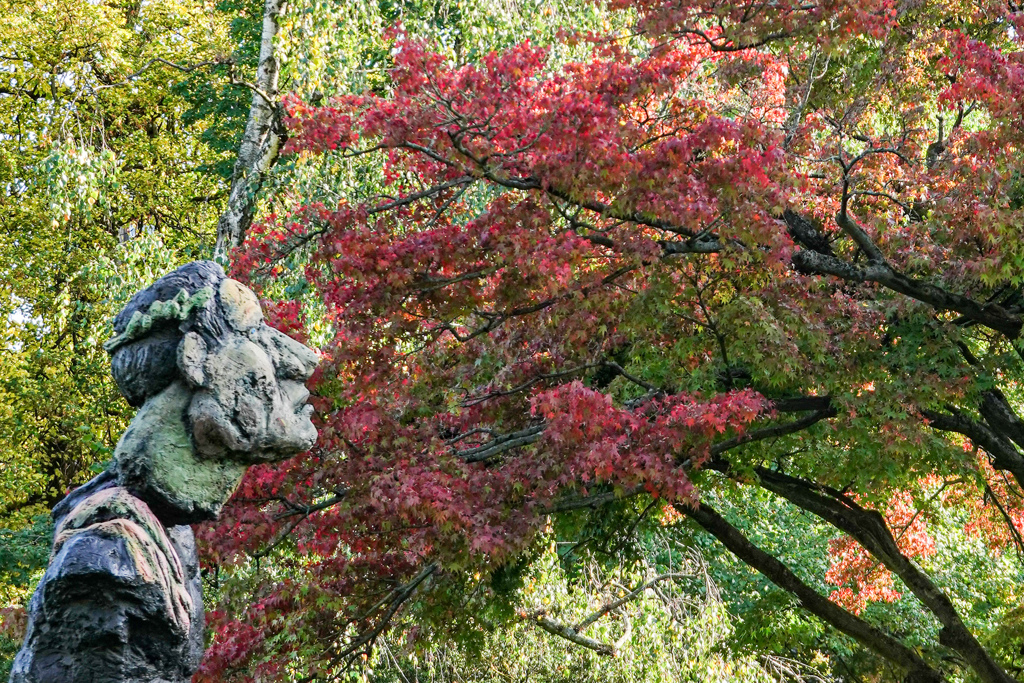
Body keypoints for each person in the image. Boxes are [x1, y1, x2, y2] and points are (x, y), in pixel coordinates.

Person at [10, 261, 319, 683]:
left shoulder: (164, 534)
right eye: (254, 332)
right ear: (195, 359)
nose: (301, 358)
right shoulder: (109, 553)